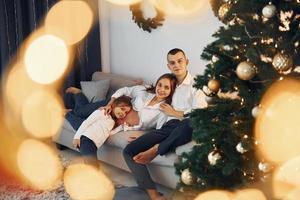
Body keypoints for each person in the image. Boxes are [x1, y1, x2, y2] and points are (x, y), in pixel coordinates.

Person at [122, 48, 207, 200]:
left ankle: (156, 149)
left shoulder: (197, 85)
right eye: (172, 63)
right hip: (166, 128)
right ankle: (153, 194)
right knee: (128, 151)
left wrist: (175, 113)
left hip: (185, 125)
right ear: (168, 66)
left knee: (190, 122)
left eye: (180, 61)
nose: (177, 65)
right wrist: (146, 135)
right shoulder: (169, 84)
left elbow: (200, 113)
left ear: (186, 62)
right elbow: (153, 106)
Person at [75, 73, 177, 166]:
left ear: (171, 90)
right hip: (113, 107)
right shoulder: (144, 91)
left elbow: (159, 132)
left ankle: (72, 105)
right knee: (79, 113)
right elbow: (124, 90)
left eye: (166, 87)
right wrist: (110, 104)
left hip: (117, 120)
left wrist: (146, 140)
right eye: (160, 85)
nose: (161, 89)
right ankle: (77, 95)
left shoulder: (163, 110)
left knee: (81, 118)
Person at [72, 95, 133, 165]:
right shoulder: (102, 112)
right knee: (92, 165)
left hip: (94, 145)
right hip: (87, 139)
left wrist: (121, 127)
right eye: (122, 109)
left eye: (126, 112)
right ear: (114, 105)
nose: (123, 113)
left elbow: (109, 133)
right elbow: (86, 123)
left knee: (91, 165)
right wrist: (76, 137)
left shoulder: (112, 122)